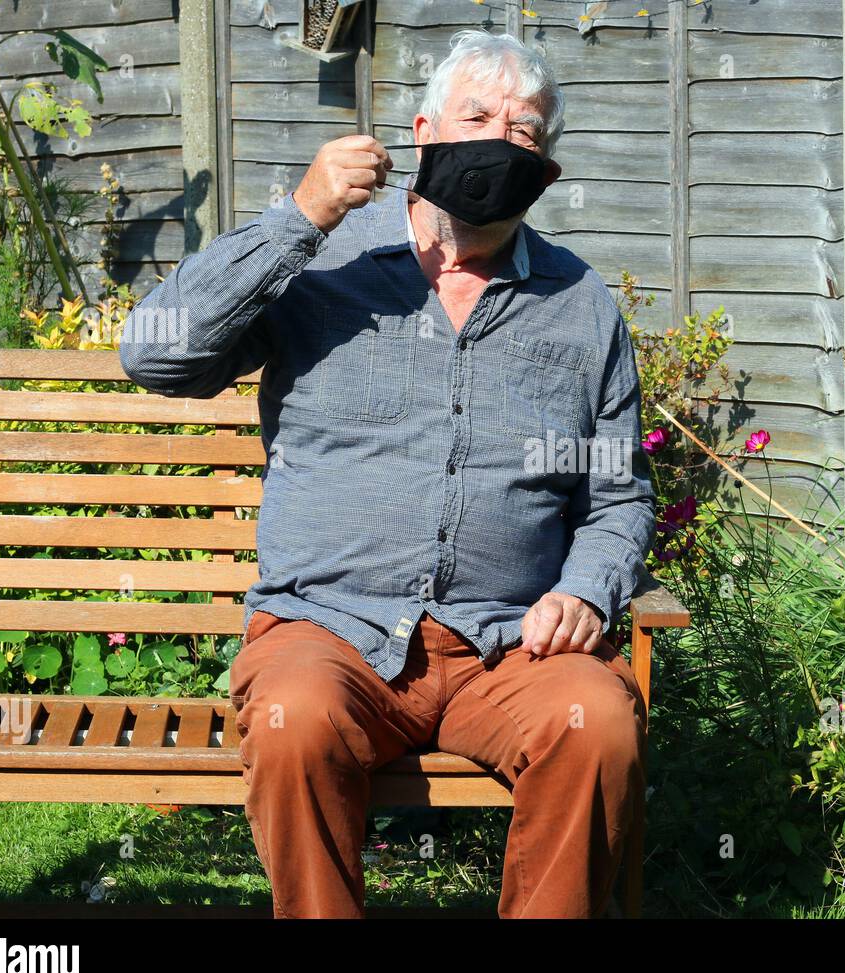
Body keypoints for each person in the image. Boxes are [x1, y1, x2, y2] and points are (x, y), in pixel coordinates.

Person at [118, 28, 656, 918]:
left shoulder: (578, 303)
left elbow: (617, 493)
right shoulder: (323, 260)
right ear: (422, 131)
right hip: (330, 630)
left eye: (526, 131)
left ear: (548, 163)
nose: (501, 141)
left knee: (595, 724)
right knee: (293, 724)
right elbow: (156, 357)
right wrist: (299, 217)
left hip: (507, 645)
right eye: (477, 117)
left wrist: (590, 591)